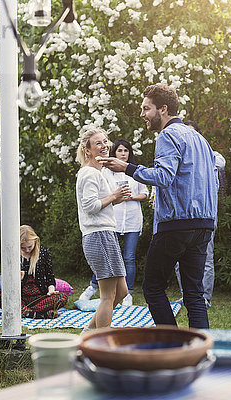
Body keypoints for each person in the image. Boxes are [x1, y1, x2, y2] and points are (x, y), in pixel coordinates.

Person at [100, 84, 218, 329]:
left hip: (176, 224)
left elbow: (164, 176)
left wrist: (128, 168)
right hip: (204, 225)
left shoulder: (168, 135)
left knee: (152, 287)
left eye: (146, 108)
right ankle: (200, 353)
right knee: (194, 294)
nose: (143, 114)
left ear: (163, 109)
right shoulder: (201, 139)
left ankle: (173, 345)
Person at [79, 139, 149, 306]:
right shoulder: (99, 172)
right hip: (108, 224)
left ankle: (127, 294)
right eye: (120, 150)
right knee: (107, 292)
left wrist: (128, 197)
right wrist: (115, 196)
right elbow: (92, 204)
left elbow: (145, 193)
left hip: (130, 220)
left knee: (127, 260)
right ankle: (92, 288)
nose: (123, 153)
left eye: (126, 151)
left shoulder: (133, 172)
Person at [76, 128, 131, 329]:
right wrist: (114, 197)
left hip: (106, 234)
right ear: (88, 150)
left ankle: (88, 334)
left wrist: (115, 200)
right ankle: (101, 343)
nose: (104, 145)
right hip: (98, 235)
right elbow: (90, 207)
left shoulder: (98, 173)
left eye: (105, 141)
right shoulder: (89, 173)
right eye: (98, 143)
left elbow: (99, 204)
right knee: (108, 296)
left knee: (122, 291)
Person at [174, 120, 225, 309]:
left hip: (206, 216)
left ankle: (204, 297)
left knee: (205, 257)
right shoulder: (177, 157)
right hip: (183, 216)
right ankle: (186, 295)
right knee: (179, 259)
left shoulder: (212, 155)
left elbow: (220, 163)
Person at [0, 225, 68, 319]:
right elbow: (6, 283)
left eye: (30, 247)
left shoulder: (43, 252)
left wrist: (51, 290)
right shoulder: (12, 254)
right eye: (23, 248)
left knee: (62, 297)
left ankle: (24, 312)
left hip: (40, 298)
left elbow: (50, 277)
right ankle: (37, 314)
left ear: (35, 241)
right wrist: (16, 279)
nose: (27, 250)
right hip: (19, 298)